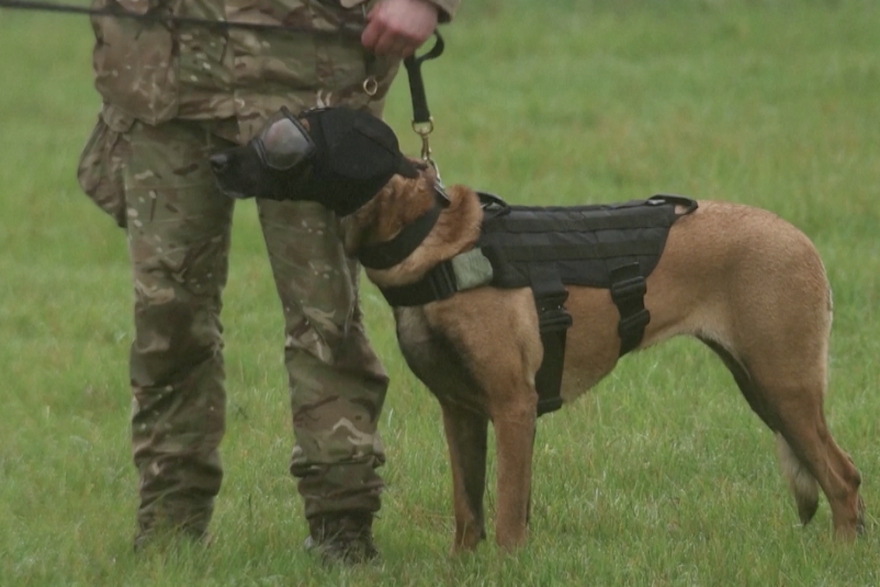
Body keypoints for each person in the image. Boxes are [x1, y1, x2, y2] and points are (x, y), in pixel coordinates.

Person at [76, 0, 459, 564]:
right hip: (162, 66)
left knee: (326, 312)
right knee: (166, 311)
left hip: (308, 67)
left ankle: (341, 526)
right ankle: (168, 523)